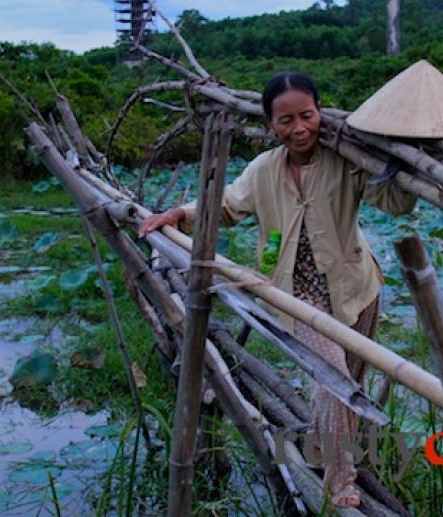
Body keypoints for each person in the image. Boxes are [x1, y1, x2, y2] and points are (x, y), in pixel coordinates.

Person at [138, 71, 417, 508]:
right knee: (333, 379)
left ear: (320, 112)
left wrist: (402, 166)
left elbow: (393, 203)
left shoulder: (344, 160)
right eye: (286, 120)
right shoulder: (264, 169)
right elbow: (227, 206)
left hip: (355, 287)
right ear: (271, 125)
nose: (299, 128)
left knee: (352, 384)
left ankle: (340, 454)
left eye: (307, 115)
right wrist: (178, 214)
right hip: (296, 294)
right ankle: (339, 482)